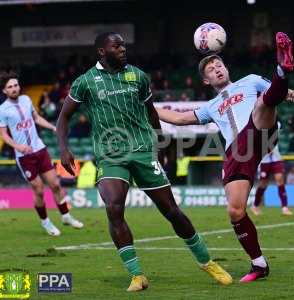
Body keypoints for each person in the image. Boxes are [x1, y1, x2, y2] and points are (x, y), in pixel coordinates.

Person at [156, 32, 294, 283]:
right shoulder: (210, 106)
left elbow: (289, 95)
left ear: (227, 68)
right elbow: (179, 119)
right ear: (206, 80)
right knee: (235, 211)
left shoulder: (249, 81)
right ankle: (259, 264)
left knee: (261, 104)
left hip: (263, 132)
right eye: (211, 69)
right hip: (239, 153)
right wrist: (145, 104)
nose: (217, 69)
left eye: (219, 65)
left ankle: (282, 70)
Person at [56, 32, 232, 293]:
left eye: (123, 45)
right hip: (110, 155)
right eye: (116, 46)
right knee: (114, 207)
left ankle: (206, 261)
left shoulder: (138, 76)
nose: (122, 49)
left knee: (172, 211)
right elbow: (63, 118)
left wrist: (160, 145)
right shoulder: (85, 82)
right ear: (102, 52)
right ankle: (137, 275)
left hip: (142, 151)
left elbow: (151, 113)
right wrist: (63, 149)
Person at [0, 71, 83, 236]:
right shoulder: (2, 110)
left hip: (40, 149)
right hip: (24, 156)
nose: (14, 88)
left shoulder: (26, 100)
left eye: (15, 85)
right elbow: (3, 135)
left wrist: (53, 127)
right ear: (5, 91)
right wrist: (19, 146)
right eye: (10, 87)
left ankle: (65, 216)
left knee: (56, 185)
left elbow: (36, 118)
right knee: (38, 190)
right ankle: (46, 222)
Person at [251, 145, 293, 216]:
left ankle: (285, 208)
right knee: (263, 184)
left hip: (276, 158)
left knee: (280, 179)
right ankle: (255, 206)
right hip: (264, 160)